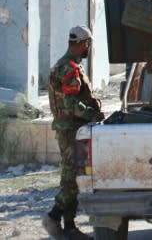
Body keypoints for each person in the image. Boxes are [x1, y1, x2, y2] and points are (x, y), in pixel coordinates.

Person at [43, 26, 104, 240]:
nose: (88, 47)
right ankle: (53, 216)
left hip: (72, 128)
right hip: (71, 129)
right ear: (83, 43)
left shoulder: (68, 65)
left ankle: (69, 227)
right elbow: (70, 102)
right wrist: (92, 115)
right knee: (73, 178)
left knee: (76, 176)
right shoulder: (69, 67)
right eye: (88, 43)